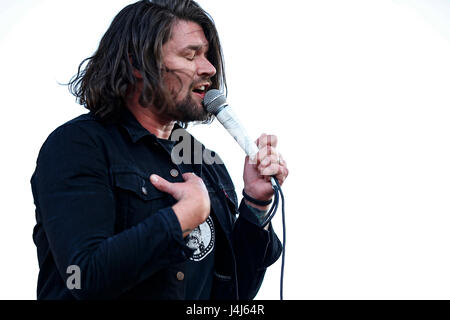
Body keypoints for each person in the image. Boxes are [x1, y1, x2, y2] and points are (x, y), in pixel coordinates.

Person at [31, 0, 289, 300]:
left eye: (207, 55)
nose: (208, 68)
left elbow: (230, 295)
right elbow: (84, 277)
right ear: (137, 64)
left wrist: (256, 206)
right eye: (191, 55)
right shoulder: (78, 145)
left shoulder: (207, 164)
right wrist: (179, 219)